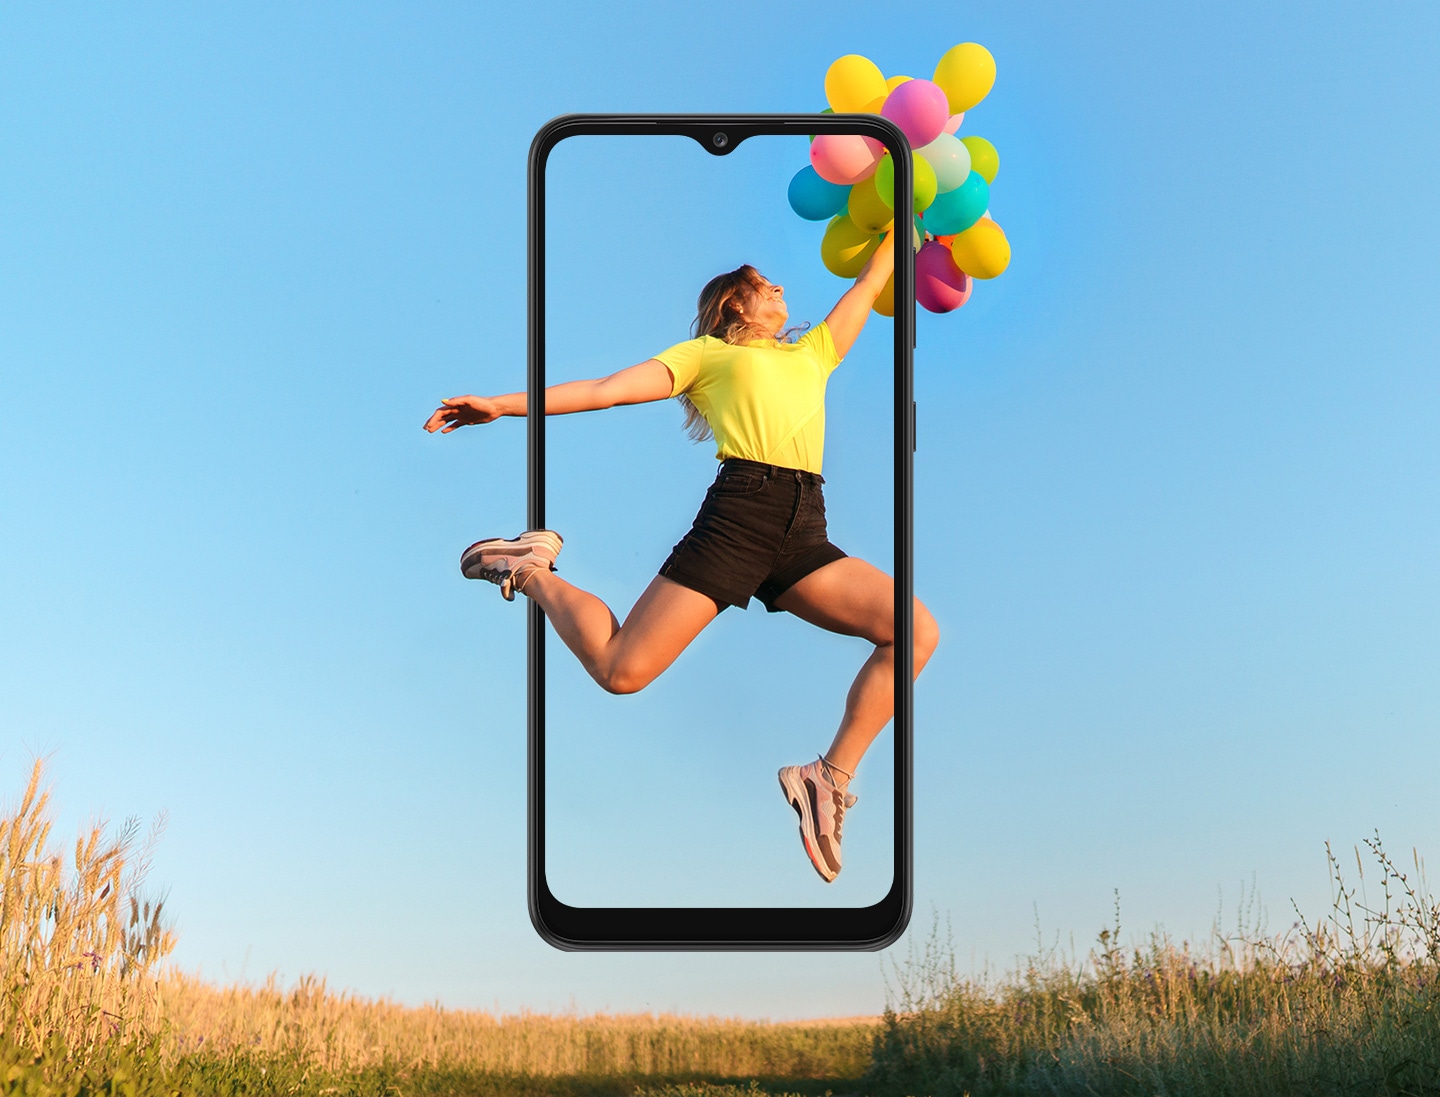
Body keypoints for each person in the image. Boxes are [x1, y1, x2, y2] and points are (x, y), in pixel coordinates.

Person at [423, 233, 938, 882]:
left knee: (914, 631)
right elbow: (607, 389)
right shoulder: (707, 355)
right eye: (764, 283)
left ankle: (827, 779)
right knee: (620, 670)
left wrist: (907, 213)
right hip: (740, 515)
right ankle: (528, 568)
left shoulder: (814, 352)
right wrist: (504, 404)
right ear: (735, 306)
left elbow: (868, 283)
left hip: (804, 524)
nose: (781, 288)